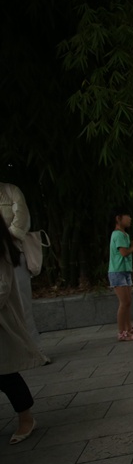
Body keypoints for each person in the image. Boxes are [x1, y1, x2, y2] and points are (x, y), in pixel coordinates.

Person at [0, 220, 47, 445]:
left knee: (5, 373)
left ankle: (25, 418)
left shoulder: (3, 248)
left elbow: (3, 285)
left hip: (2, 320)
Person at [0, 182, 41, 345]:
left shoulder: (11, 191)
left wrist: (4, 239)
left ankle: (34, 347)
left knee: (22, 303)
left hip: (13, 253)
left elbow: (21, 220)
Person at [108, 209, 133, 341]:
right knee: (124, 302)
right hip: (117, 271)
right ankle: (121, 332)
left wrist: (132, 246)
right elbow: (123, 253)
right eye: (127, 216)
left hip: (125, 270)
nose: (130, 219)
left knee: (128, 302)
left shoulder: (125, 235)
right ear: (119, 218)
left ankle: (129, 328)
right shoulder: (118, 235)